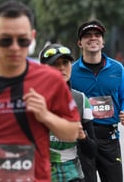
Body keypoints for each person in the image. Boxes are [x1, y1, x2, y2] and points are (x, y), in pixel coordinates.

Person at [0, 0, 80, 181]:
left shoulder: (50, 79)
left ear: (32, 37)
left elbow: (72, 132)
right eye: (6, 40)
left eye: (22, 40)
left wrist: (46, 116)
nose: (15, 47)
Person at [70, 19, 124, 182]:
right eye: (87, 36)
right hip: (83, 138)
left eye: (97, 35)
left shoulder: (117, 68)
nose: (93, 38)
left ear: (103, 42)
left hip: (109, 139)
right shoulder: (72, 71)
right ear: (79, 43)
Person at [39, 43, 98, 182]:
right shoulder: (32, 98)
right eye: (55, 63)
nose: (61, 68)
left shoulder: (81, 100)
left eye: (65, 62)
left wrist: (82, 136)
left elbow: (92, 151)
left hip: (72, 175)